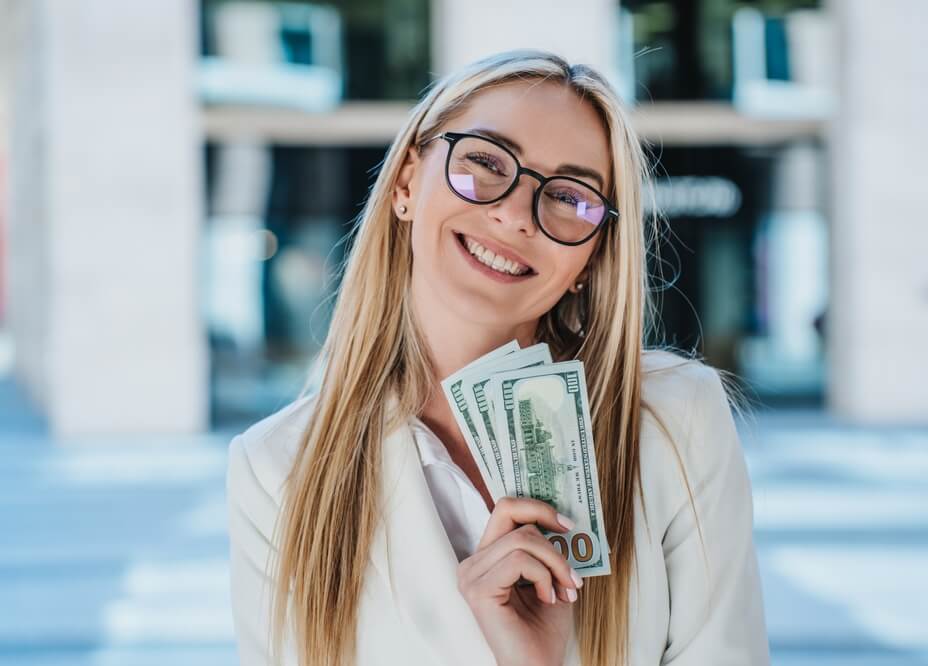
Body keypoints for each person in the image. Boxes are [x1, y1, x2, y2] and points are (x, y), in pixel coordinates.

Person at [225, 48, 770, 666]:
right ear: (406, 184)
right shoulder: (276, 471)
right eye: (484, 160)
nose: (513, 215)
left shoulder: (676, 419)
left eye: (569, 197)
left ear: (589, 259)